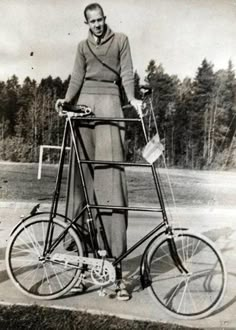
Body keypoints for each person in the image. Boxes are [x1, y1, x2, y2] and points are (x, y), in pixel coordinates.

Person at [56, 2, 142, 300]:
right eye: (92, 21)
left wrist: (133, 99)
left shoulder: (121, 40)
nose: (97, 25)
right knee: (83, 186)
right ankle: (82, 266)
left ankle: (115, 272)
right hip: (83, 112)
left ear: (106, 19)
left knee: (110, 186)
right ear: (86, 23)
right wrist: (66, 102)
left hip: (110, 108)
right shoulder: (82, 47)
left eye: (100, 19)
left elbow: (127, 74)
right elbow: (76, 79)